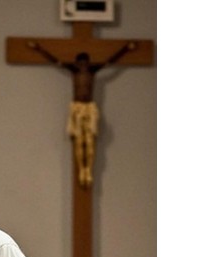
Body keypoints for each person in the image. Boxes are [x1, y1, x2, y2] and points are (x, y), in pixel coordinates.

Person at [28, 40, 137, 187]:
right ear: (77, 63)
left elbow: (110, 61)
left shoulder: (93, 71)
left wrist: (126, 49)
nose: (83, 65)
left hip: (89, 108)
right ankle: (81, 169)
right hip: (77, 108)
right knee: (79, 141)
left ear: (88, 62)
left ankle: (88, 169)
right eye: (81, 63)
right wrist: (39, 49)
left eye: (85, 62)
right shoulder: (73, 70)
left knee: (90, 141)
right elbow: (55, 61)